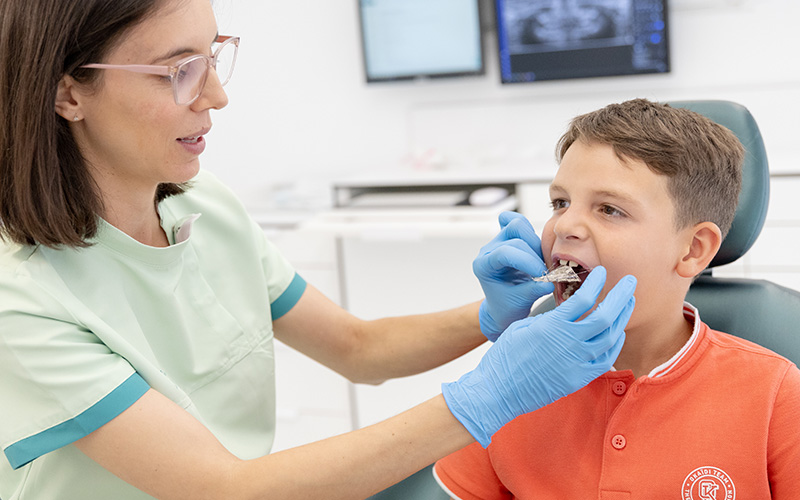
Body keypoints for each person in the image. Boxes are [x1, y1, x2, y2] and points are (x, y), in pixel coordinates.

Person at [0, 1, 639, 498]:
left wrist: (491, 320)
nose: (216, 96)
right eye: (178, 71)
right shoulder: (22, 297)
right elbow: (225, 489)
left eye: (213, 57)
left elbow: (359, 349)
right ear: (67, 94)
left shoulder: (204, 205)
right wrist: (489, 395)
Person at [434, 99, 800, 499]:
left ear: (694, 249)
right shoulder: (515, 376)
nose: (565, 225)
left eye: (609, 209)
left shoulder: (777, 396)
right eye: (560, 202)